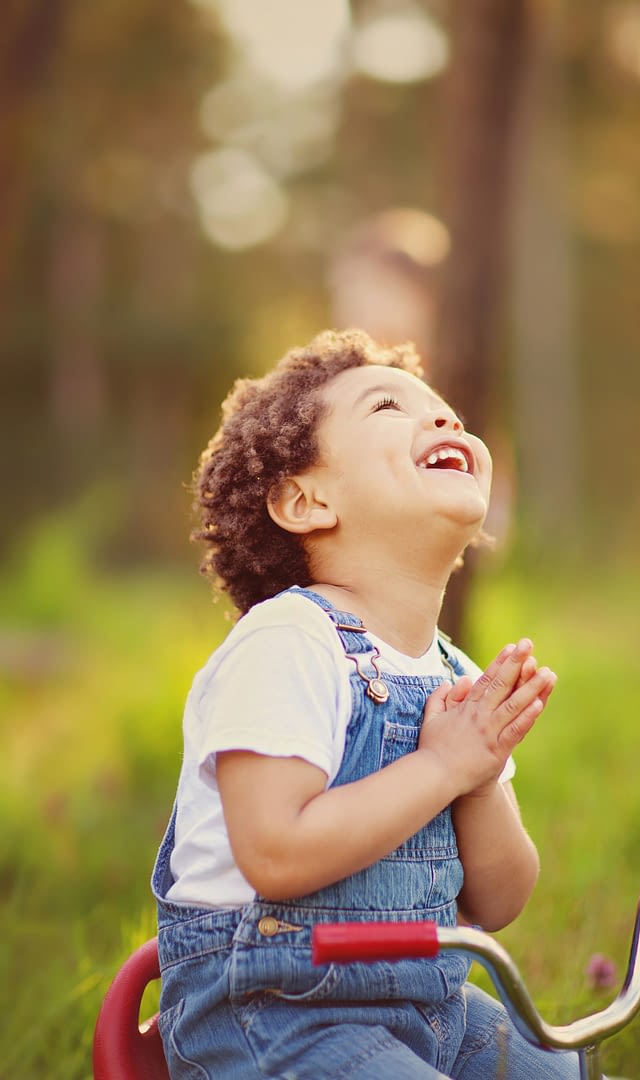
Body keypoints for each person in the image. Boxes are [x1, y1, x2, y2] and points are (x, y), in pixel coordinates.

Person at [152, 328, 580, 1078]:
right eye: (389, 406)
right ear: (306, 500)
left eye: (447, 412)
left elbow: (501, 899)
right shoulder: (289, 641)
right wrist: (443, 767)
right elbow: (276, 852)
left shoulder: (452, 672)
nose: (445, 421)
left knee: (564, 1068)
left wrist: (479, 774)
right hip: (274, 1016)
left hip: (427, 1008)